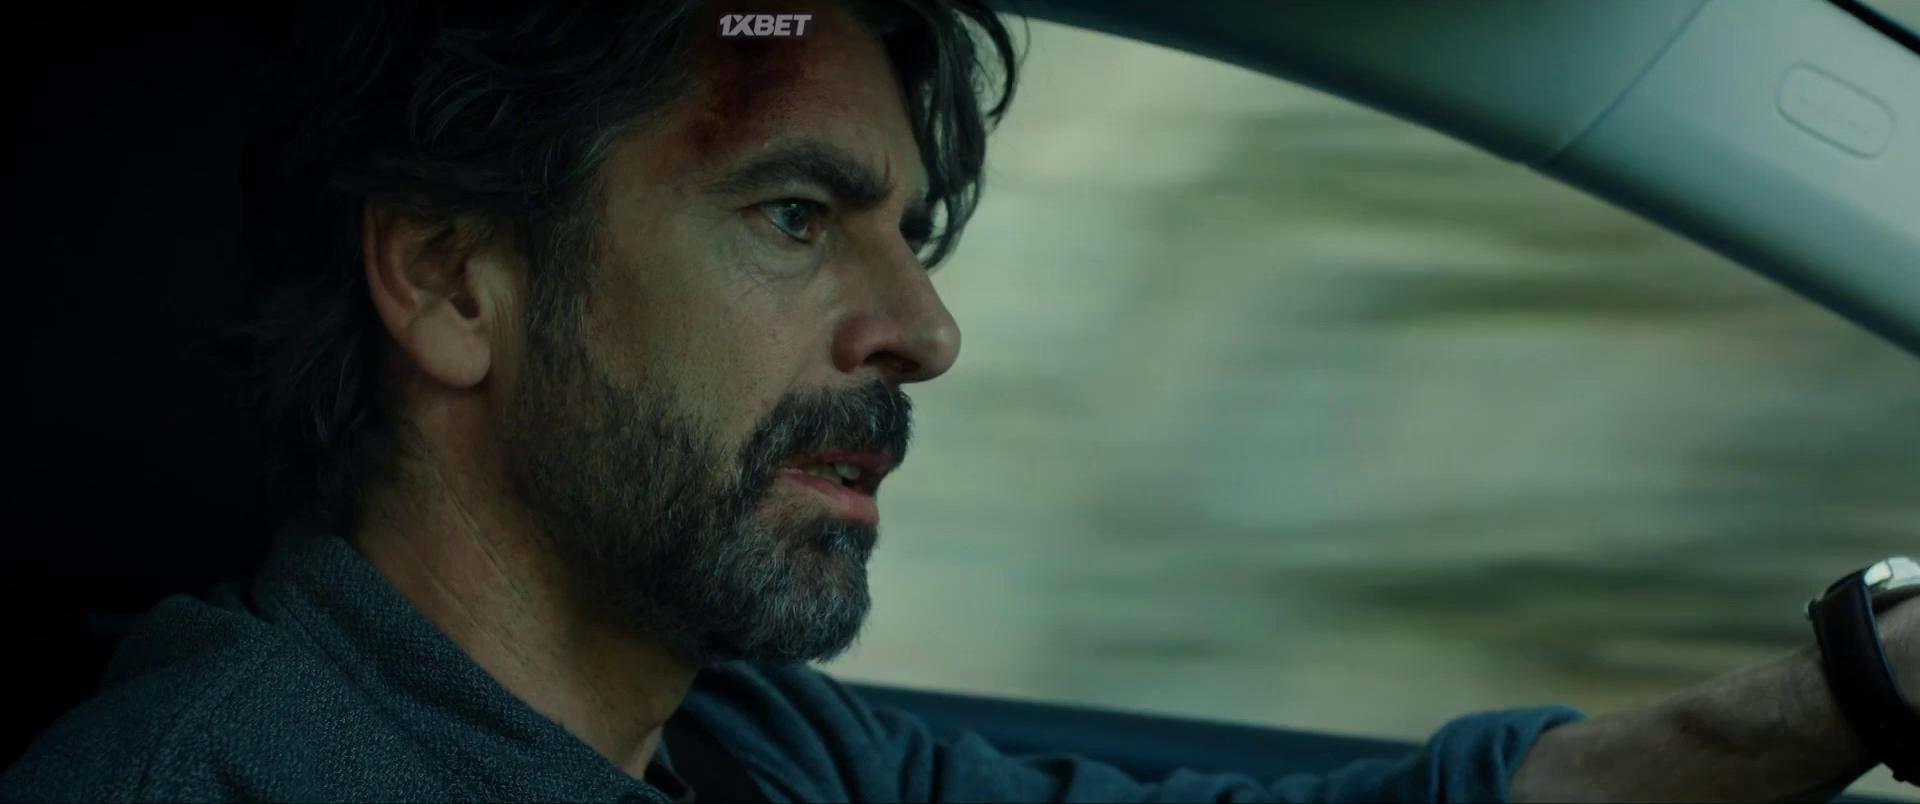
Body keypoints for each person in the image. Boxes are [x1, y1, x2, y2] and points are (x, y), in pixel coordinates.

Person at [0, 1, 1911, 801]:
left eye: (905, 235)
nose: (924, 330)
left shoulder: (753, 749)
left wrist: (1854, 687)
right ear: (449, 284)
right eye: (792, 216)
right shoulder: (207, 784)